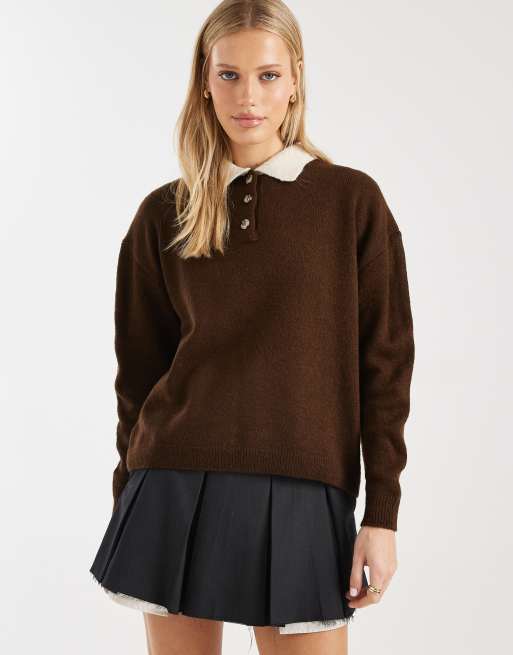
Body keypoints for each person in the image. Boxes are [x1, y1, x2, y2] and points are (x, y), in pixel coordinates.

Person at [89, 1, 415, 653]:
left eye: (267, 75)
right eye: (229, 75)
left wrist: (381, 514)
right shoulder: (164, 213)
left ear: (295, 79)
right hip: (171, 482)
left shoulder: (350, 201)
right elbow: (138, 373)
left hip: (303, 487)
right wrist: (126, 494)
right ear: (204, 81)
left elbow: (384, 364)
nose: (248, 96)